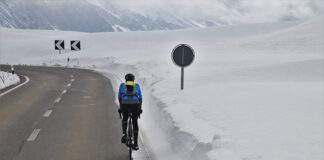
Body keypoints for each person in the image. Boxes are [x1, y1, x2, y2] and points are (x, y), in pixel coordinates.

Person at [118, 73, 142, 150]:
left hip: (125, 105)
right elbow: (140, 98)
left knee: (125, 118)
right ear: (133, 80)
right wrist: (139, 108)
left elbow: (119, 98)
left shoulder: (122, 85)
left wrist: (121, 108)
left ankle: (124, 133)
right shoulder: (137, 86)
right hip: (135, 105)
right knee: (135, 122)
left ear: (126, 79)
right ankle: (135, 144)